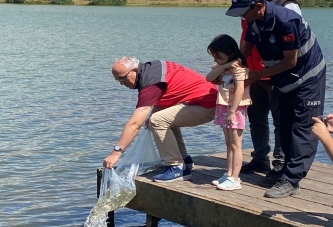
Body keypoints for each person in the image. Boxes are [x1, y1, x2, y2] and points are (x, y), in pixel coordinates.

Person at [226, 0, 326, 198]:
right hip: (285, 78)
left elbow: (291, 61)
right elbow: (244, 52)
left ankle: (291, 180)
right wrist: (225, 68)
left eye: (244, 11)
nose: (241, 16)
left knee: (303, 127)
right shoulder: (254, 22)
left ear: (259, 5)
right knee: (286, 123)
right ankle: (286, 171)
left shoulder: (286, 20)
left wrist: (256, 75)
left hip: (308, 78)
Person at [103, 56, 218, 183]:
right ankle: (184, 160)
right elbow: (168, 93)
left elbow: (135, 123)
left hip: (207, 105)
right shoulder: (152, 68)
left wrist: (116, 153)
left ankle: (176, 167)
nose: (121, 83)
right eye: (117, 80)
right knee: (160, 117)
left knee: (157, 120)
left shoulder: (150, 81)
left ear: (134, 70)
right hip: (204, 101)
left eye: (122, 78)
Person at [240, 0, 302, 188]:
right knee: (256, 119)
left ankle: (280, 163)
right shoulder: (247, 10)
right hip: (252, 74)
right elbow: (246, 41)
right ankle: (260, 157)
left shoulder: (284, 8)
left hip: (273, 73)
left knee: (280, 121)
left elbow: (294, 43)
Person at [206, 34, 252, 191]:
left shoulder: (239, 70)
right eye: (214, 57)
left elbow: (240, 91)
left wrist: (232, 112)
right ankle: (229, 173)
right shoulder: (224, 69)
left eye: (219, 57)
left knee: (236, 144)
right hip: (223, 106)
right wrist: (223, 66)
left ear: (230, 53)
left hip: (235, 109)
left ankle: (235, 178)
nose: (216, 60)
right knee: (228, 143)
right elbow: (208, 78)